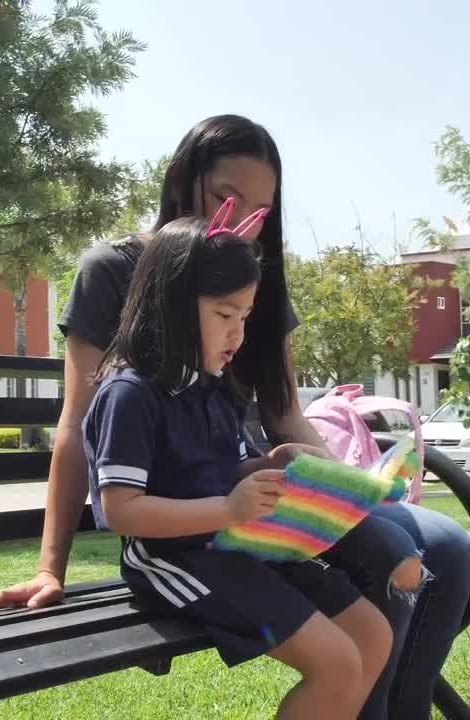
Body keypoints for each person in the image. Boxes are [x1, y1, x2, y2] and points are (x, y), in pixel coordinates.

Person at [0, 114, 470, 720]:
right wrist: (49, 568)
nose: (242, 221)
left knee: (441, 548)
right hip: (201, 529)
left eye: (260, 210)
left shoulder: (247, 291)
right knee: (388, 579)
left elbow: (285, 413)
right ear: (183, 182)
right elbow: (79, 429)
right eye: (226, 198)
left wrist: (339, 482)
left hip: (256, 502)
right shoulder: (119, 286)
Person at [83, 206, 395, 718]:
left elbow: (235, 470)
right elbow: (121, 511)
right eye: (225, 316)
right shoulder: (131, 394)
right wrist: (229, 511)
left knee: (372, 635)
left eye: (244, 318)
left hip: (240, 545)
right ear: (173, 307)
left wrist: (282, 465)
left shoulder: (214, 389)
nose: (238, 335)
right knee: (336, 661)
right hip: (175, 559)